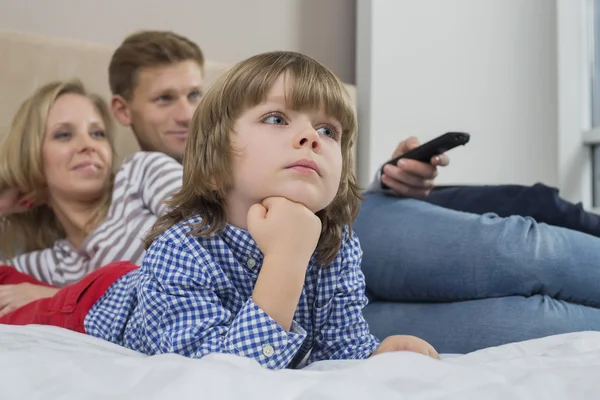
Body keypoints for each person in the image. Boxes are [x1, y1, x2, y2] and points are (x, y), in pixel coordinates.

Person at [0, 51, 441, 368]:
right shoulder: (181, 247)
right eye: (277, 118)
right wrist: (286, 259)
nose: (311, 136)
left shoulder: (337, 246)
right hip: (102, 296)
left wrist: (377, 355)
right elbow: (225, 374)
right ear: (216, 160)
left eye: (328, 129)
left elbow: (339, 347)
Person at [0, 80, 183, 317]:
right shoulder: (53, 265)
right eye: (64, 135)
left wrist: (56, 296)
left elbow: (212, 232)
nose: (88, 145)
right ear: (31, 156)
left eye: (97, 133)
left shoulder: (140, 173)